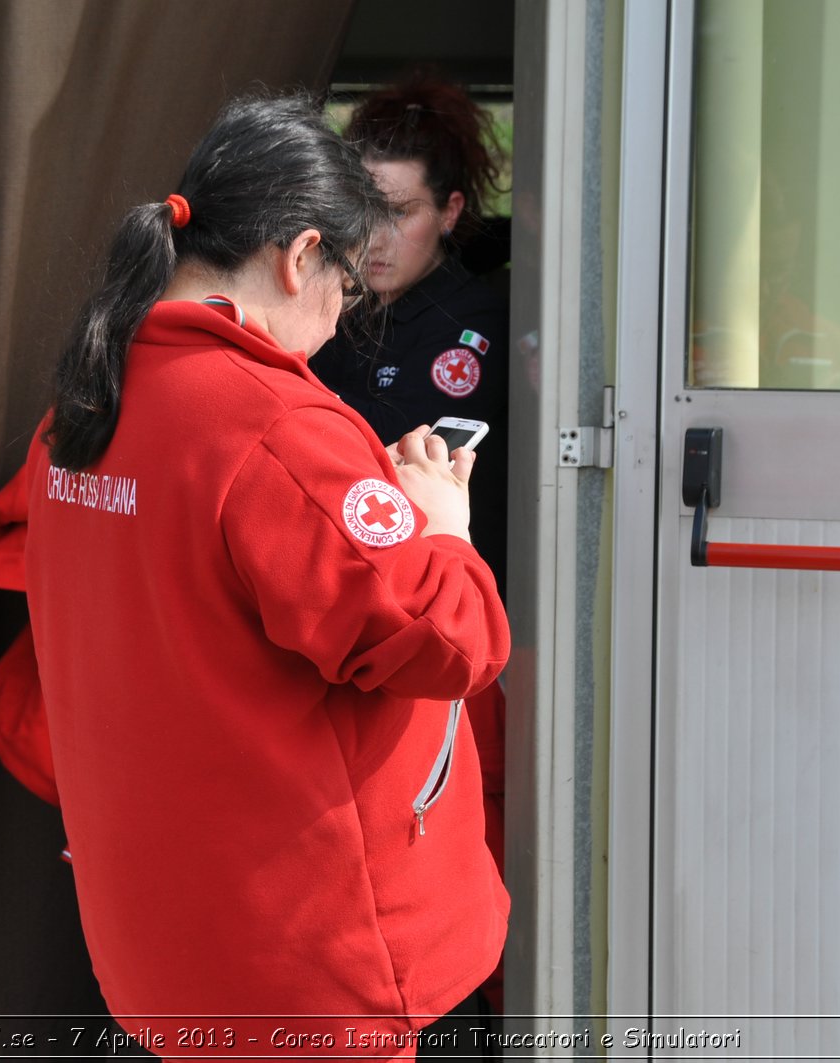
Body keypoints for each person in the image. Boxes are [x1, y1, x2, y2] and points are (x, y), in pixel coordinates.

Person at [0, 93, 510, 1057]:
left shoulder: (83, 407)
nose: (339, 323)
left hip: (166, 937)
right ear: (300, 257)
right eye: (343, 287)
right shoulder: (280, 426)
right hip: (325, 966)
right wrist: (441, 527)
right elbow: (453, 641)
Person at [310, 77, 512, 1022]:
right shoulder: (317, 310)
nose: (375, 238)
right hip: (328, 640)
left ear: (454, 210)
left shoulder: (483, 330)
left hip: (446, 646)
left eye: (399, 213)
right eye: (360, 213)